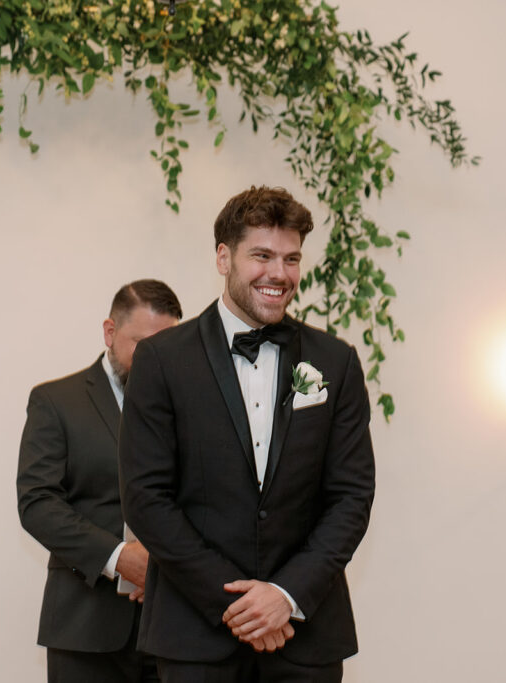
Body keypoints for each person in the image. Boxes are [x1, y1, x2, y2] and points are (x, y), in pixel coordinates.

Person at [118, 186, 375, 682]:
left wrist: (284, 596)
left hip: (304, 634)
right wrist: (238, 604)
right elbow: (146, 498)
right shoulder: (161, 360)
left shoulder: (335, 362)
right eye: (262, 255)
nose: (279, 274)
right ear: (223, 257)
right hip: (195, 635)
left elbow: (351, 496)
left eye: (291, 258)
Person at [18, 279, 182, 683]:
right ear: (110, 332)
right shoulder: (56, 401)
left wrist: (169, 566)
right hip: (84, 629)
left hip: (175, 627)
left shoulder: (192, 406)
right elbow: (38, 503)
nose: (156, 360)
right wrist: (119, 558)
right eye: (143, 346)